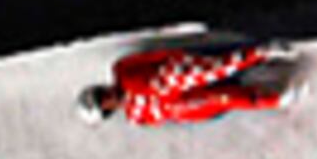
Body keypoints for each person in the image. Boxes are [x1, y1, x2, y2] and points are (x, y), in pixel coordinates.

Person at [79, 40, 296, 125]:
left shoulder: (122, 70)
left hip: (180, 71)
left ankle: (261, 53)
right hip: (186, 102)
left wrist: (180, 58)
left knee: (180, 77)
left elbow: (156, 56)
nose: (108, 98)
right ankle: (273, 99)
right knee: (211, 99)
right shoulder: (137, 116)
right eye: (104, 104)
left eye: (102, 95)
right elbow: (171, 115)